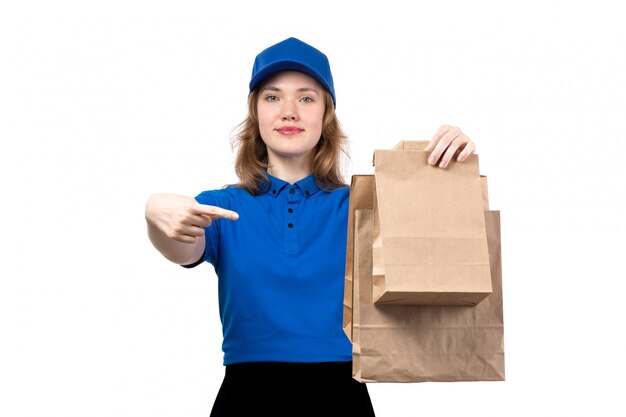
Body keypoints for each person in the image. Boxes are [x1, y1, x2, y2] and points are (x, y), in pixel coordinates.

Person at [145, 37, 476, 416]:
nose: (289, 111)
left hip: (341, 395)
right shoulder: (221, 207)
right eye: (272, 97)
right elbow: (181, 248)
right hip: (246, 396)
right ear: (255, 113)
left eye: (306, 98)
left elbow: (438, 239)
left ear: (325, 115)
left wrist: (452, 164)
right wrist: (155, 215)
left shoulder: (361, 205)